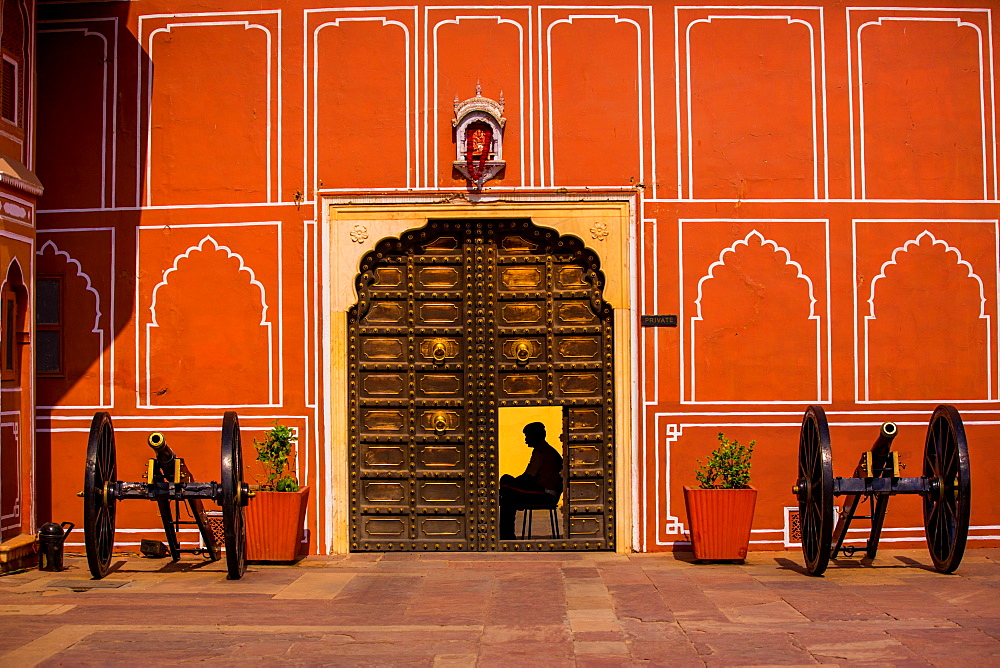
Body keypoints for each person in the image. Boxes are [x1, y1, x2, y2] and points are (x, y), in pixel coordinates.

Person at [499, 422, 563, 540]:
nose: (526, 440)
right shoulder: (548, 450)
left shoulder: (541, 452)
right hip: (547, 492)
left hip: (544, 494)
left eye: (527, 436)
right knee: (507, 491)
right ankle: (506, 535)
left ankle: (506, 535)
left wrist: (512, 484)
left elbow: (528, 477)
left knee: (506, 487)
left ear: (535, 436)